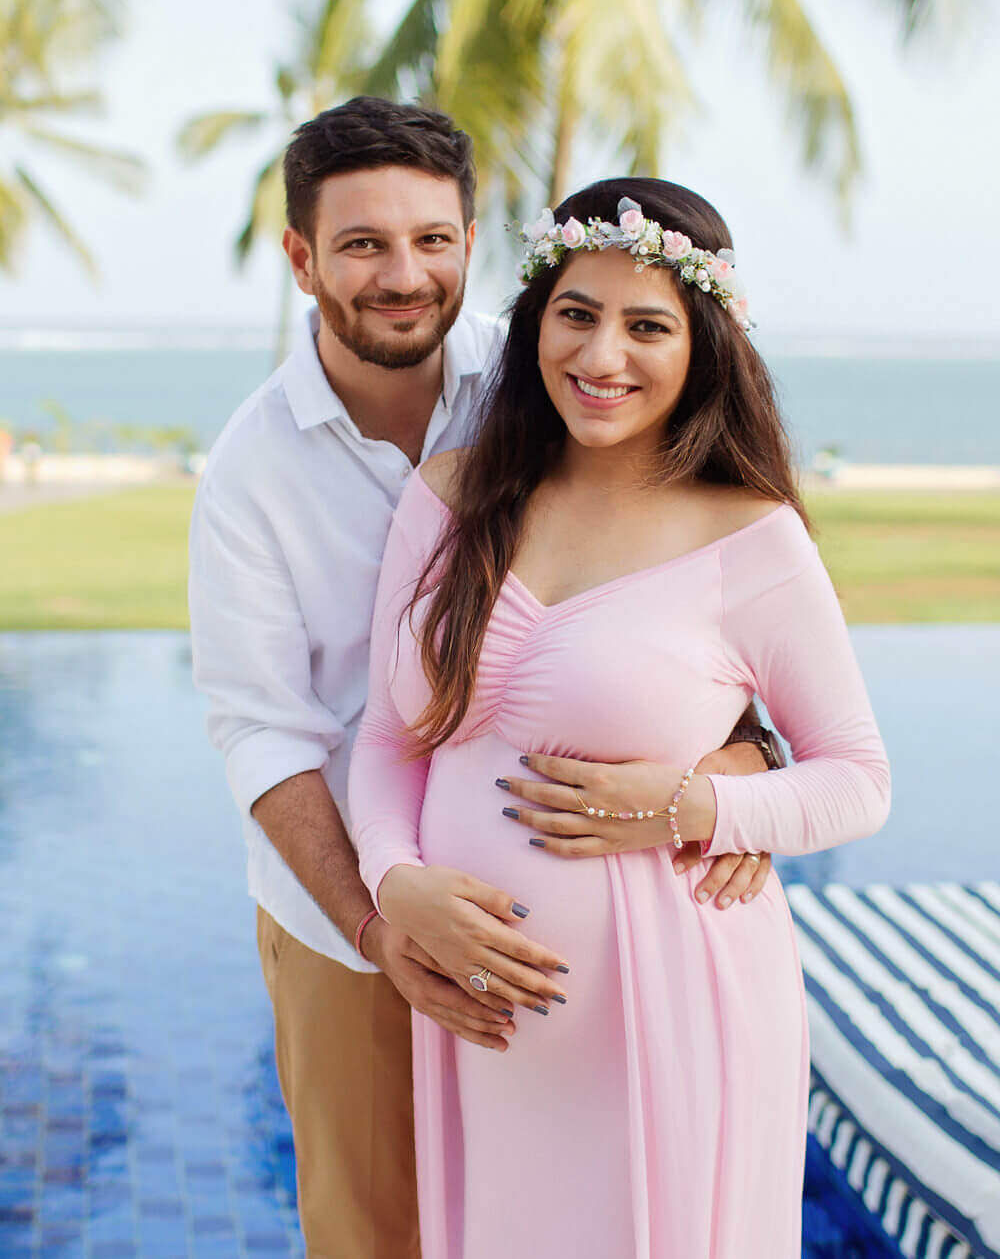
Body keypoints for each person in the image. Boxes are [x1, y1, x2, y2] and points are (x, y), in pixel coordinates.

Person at [188, 102, 777, 1259]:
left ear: (469, 239)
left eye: (433, 239)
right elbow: (263, 734)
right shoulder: (249, 473)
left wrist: (742, 752)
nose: (403, 275)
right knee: (374, 1232)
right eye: (362, 244)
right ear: (303, 259)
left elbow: (677, 579)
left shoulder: (545, 384)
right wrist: (377, 918)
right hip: (347, 927)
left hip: (583, 937)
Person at [348, 177, 892, 1259]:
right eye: (576, 313)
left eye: (648, 326)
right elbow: (385, 740)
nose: (602, 358)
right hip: (485, 1024)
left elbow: (857, 779)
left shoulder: (752, 537)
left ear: (702, 348)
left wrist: (689, 806)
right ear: (536, 320)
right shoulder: (451, 498)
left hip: (674, 1012)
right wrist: (395, 881)